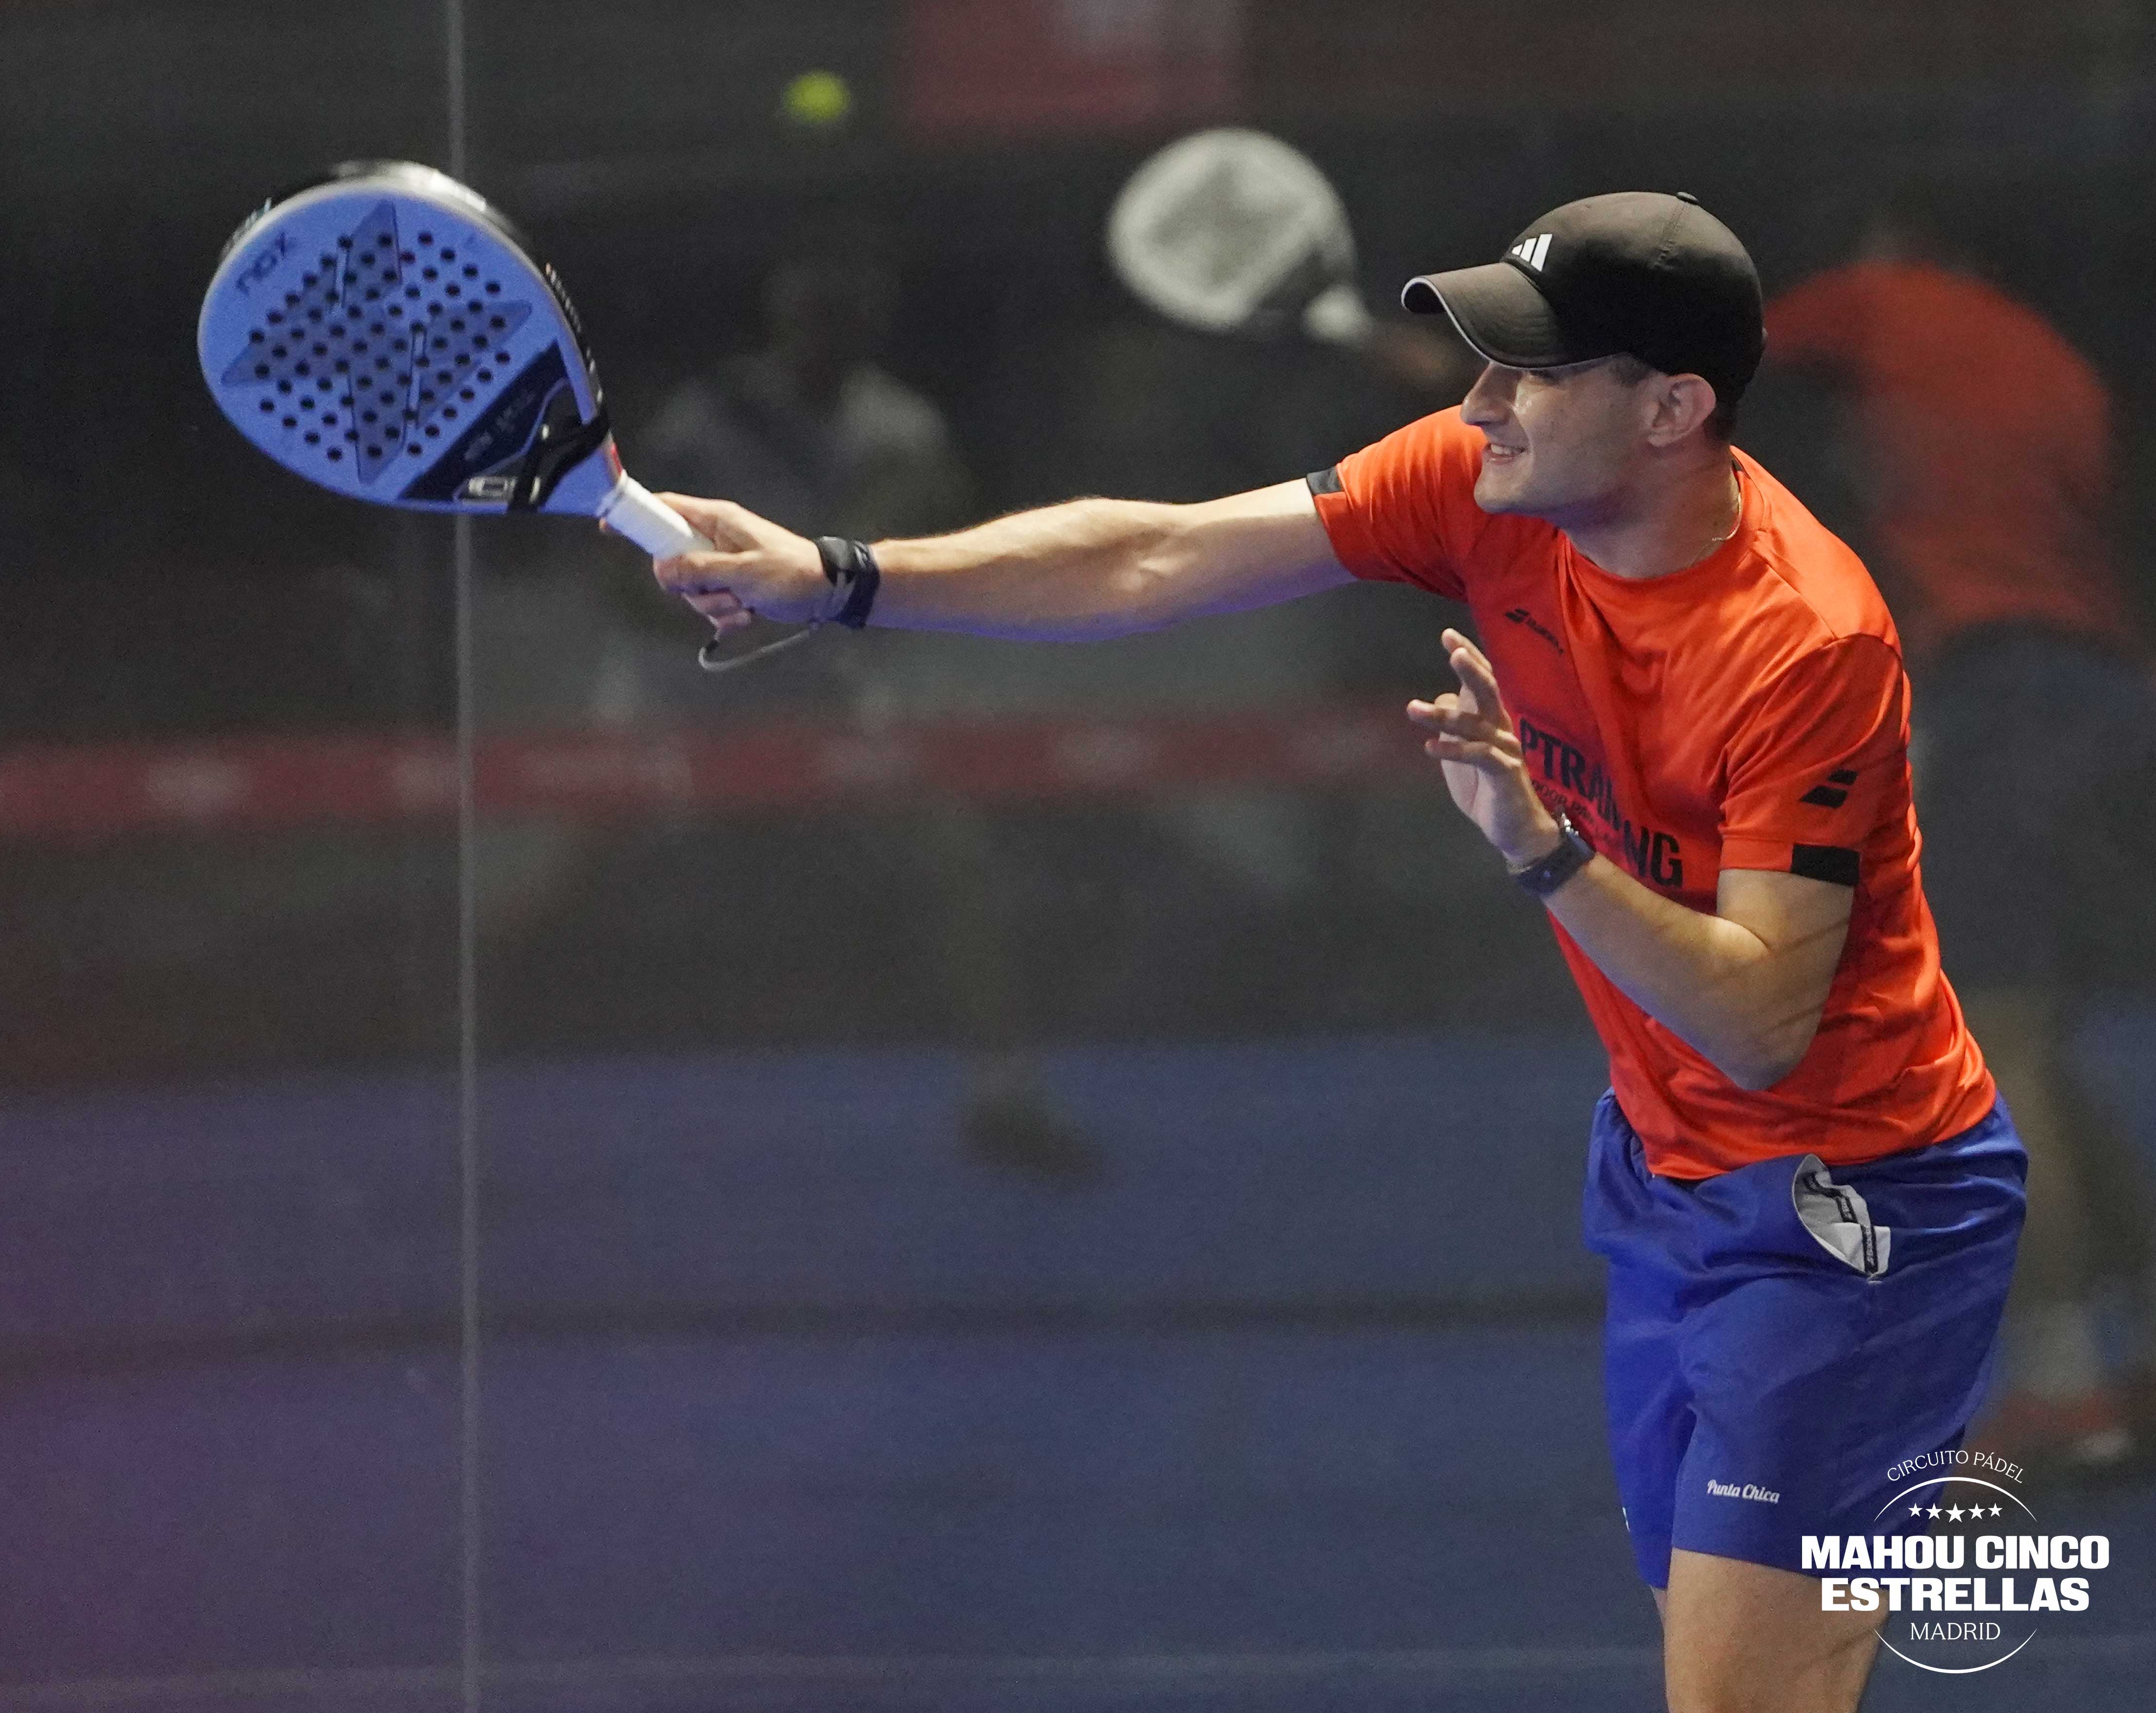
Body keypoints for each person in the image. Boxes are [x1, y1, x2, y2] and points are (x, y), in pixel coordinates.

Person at [648, 192, 2022, 1713]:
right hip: (1667, 1177)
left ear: (1671, 409)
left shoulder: (1805, 640)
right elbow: (1155, 556)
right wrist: (841, 574)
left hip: (1854, 1205)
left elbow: (1763, 1018)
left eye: (1532, 370)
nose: (1482, 401)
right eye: (1485, 362)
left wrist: (1542, 850)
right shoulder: (1481, 482)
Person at [1764, 196, 2155, 1479]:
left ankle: (2062, 1390)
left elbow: (1698, 349)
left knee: (1989, 1049)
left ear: (1898, 241)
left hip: (2006, 698)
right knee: (2044, 1045)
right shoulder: (2059, 366)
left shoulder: (1887, 302)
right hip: (2109, 699)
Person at [601, 231, 1103, 1182]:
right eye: (810, 308)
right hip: (689, 702)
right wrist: (712, 615)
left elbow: (939, 572)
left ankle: (1003, 1089)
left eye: (846, 309)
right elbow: (623, 577)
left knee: (953, 863)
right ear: (780, 314)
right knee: (589, 865)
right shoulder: (705, 421)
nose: (825, 327)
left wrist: (867, 554)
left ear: (873, 321)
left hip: (839, 708)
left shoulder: (903, 433)